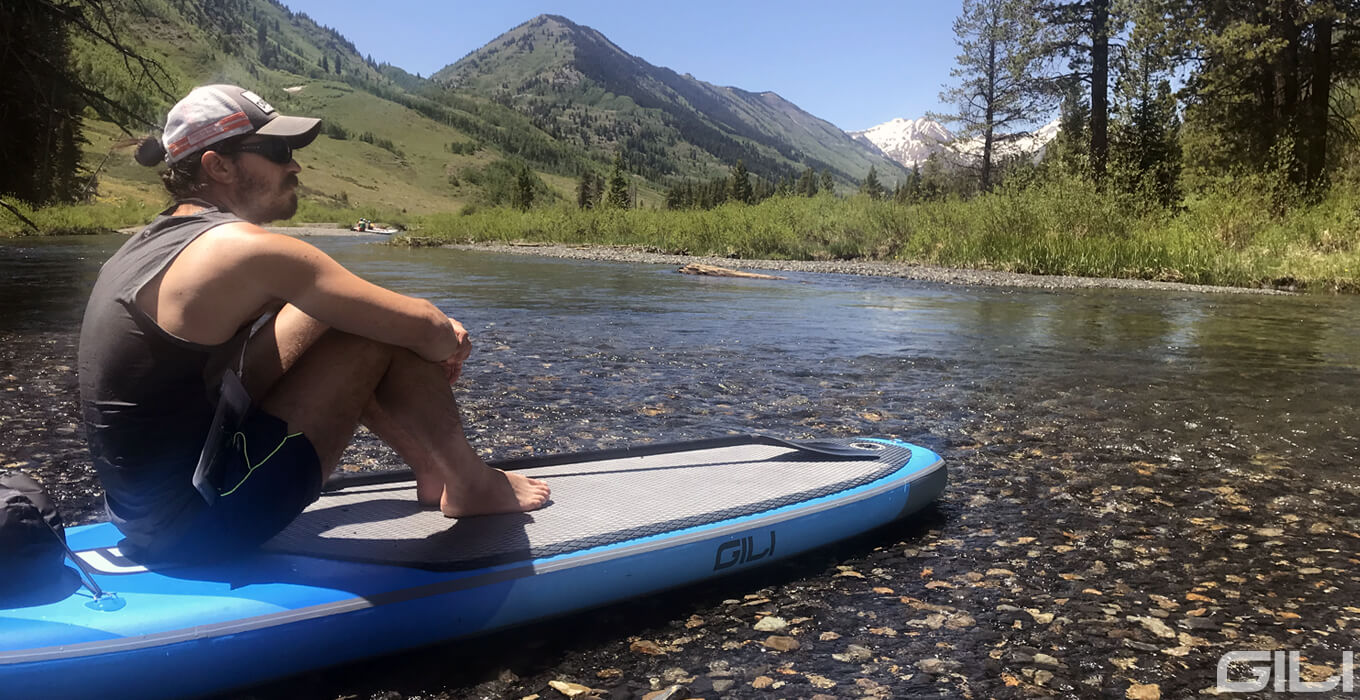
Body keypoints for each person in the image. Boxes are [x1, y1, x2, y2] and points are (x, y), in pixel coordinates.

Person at [77, 84, 549, 561]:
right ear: (217, 165)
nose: (295, 166)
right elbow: (425, 328)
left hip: (144, 513)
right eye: (278, 151)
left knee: (339, 311)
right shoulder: (240, 248)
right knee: (374, 331)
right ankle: (469, 483)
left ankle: (432, 470)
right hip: (198, 524)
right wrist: (445, 338)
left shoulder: (150, 245)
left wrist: (409, 325)